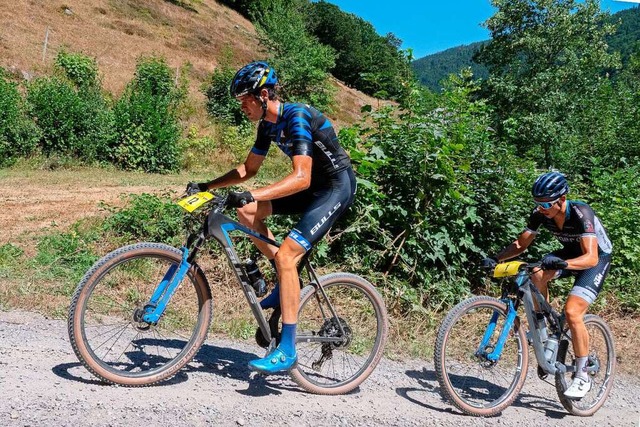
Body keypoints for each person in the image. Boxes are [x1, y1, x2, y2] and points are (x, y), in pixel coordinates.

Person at [187, 61, 357, 374]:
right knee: (247, 212)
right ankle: (285, 275)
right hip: (312, 187)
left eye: (245, 100)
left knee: (286, 253)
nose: (242, 107)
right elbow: (248, 170)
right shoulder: (267, 125)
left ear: (264, 95)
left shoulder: (297, 116)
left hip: (334, 188)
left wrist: (254, 193)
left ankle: (288, 348)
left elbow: (302, 177)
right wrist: (208, 185)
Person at [484, 171, 612, 399]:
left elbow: (590, 257)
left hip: (595, 259)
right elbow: (521, 244)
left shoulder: (581, 213)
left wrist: (563, 263)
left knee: (573, 312)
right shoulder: (541, 213)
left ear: (562, 199)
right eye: (538, 203)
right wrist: (497, 258)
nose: (541, 208)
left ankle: (582, 375)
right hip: (570, 254)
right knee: (536, 272)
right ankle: (542, 325)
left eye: (546, 203)